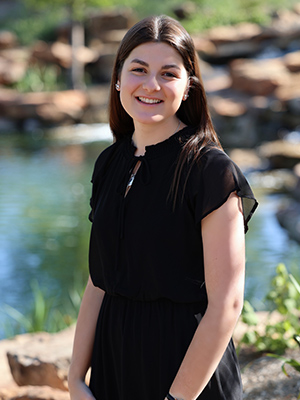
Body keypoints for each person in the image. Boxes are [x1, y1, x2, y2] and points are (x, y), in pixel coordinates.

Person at [68, 14, 258, 400]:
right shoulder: (109, 163)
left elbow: (227, 303)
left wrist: (177, 398)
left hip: (188, 373)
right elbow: (100, 278)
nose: (151, 84)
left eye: (168, 73)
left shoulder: (211, 171)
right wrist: (74, 378)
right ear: (119, 78)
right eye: (139, 69)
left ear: (188, 87)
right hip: (115, 364)